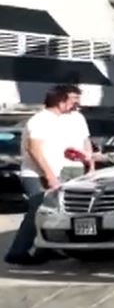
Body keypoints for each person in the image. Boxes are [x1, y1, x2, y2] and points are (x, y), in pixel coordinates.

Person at [5, 84, 91, 266]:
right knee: (38, 210)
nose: (78, 103)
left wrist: (90, 166)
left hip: (69, 170)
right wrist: (49, 175)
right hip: (37, 173)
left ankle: (48, 249)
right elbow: (34, 149)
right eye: (74, 99)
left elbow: (85, 143)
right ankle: (17, 252)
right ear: (60, 100)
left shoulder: (76, 118)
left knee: (60, 213)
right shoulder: (40, 120)